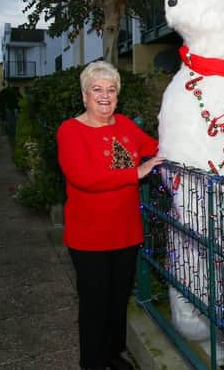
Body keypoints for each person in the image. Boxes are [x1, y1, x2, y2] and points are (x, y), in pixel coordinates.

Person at [56, 61, 164, 370]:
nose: (105, 96)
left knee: (118, 301)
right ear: (84, 95)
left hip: (126, 232)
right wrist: (136, 172)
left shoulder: (125, 125)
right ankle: (92, 362)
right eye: (97, 89)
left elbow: (155, 146)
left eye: (111, 89)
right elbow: (84, 177)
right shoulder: (71, 130)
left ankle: (113, 354)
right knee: (95, 304)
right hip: (89, 238)